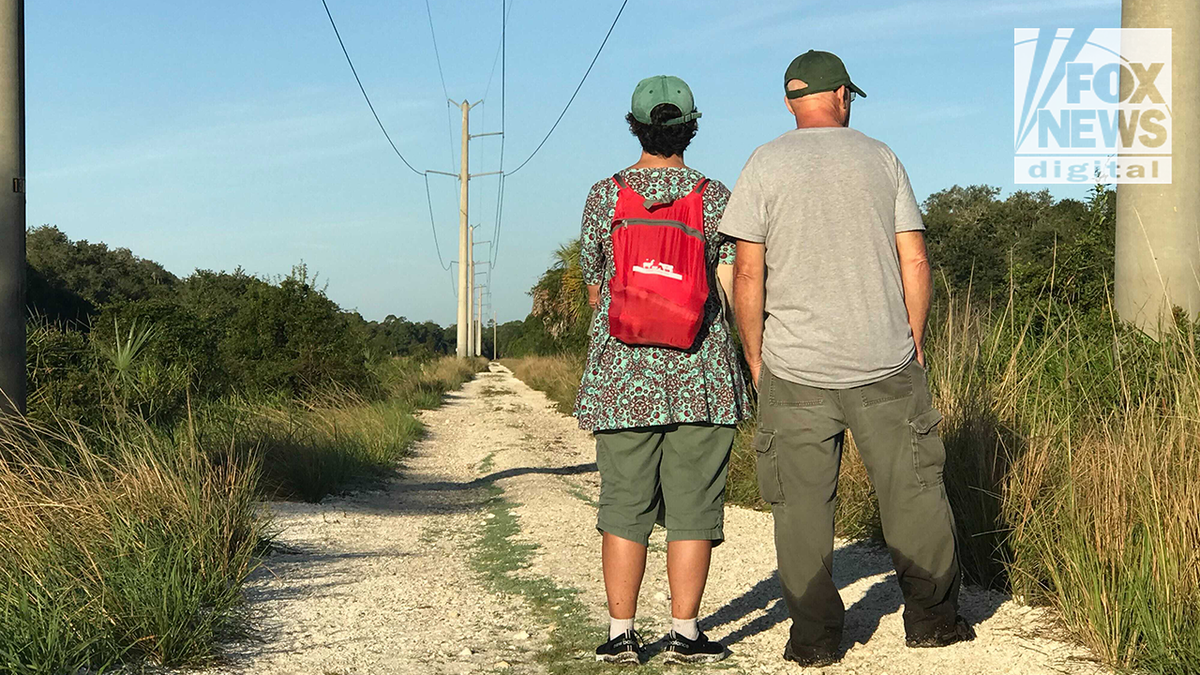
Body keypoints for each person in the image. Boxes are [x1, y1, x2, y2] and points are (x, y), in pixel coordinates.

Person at [718, 50, 975, 667]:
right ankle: (933, 622)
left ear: (789, 101)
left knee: (800, 509)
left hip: (794, 368)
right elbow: (914, 259)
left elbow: (746, 273)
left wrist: (755, 356)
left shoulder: (762, 163)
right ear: (841, 96)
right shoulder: (881, 157)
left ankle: (813, 639)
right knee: (913, 493)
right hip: (885, 362)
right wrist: (912, 338)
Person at [573, 74, 751, 665]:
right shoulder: (715, 196)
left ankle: (621, 633)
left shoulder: (605, 195)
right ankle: (685, 632)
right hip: (701, 375)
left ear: (635, 126)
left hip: (624, 378)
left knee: (624, 501)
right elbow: (728, 287)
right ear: (690, 127)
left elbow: (599, 290)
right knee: (694, 503)